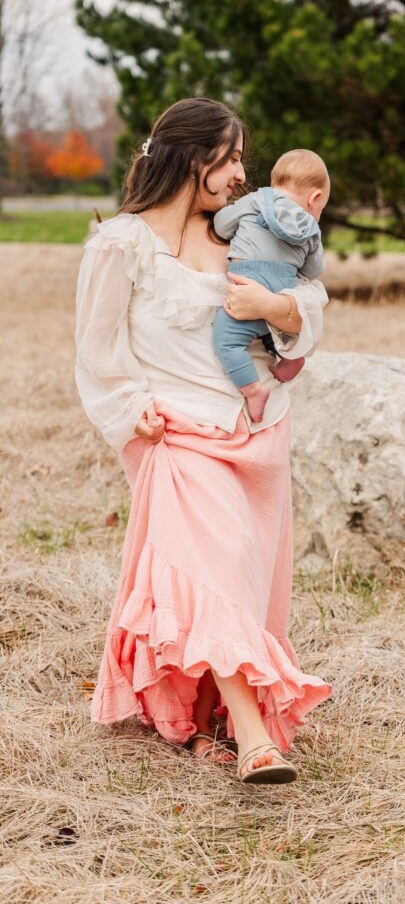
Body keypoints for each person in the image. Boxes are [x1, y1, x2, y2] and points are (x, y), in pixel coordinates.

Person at [74, 97, 332, 785]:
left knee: (241, 585)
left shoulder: (239, 236)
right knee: (213, 573)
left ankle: (207, 721)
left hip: (256, 433)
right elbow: (97, 352)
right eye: (233, 157)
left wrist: (271, 307)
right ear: (195, 158)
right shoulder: (121, 245)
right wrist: (133, 410)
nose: (242, 174)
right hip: (178, 438)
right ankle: (255, 740)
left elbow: (310, 304)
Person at [212, 148, 328, 422]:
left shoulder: (255, 201)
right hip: (283, 292)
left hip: (247, 285)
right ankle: (291, 357)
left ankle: (253, 390)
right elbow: (312, 271)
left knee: (226, 342)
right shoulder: (311, 227)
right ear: (315, 198)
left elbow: (221, 225)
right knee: (270, 332)